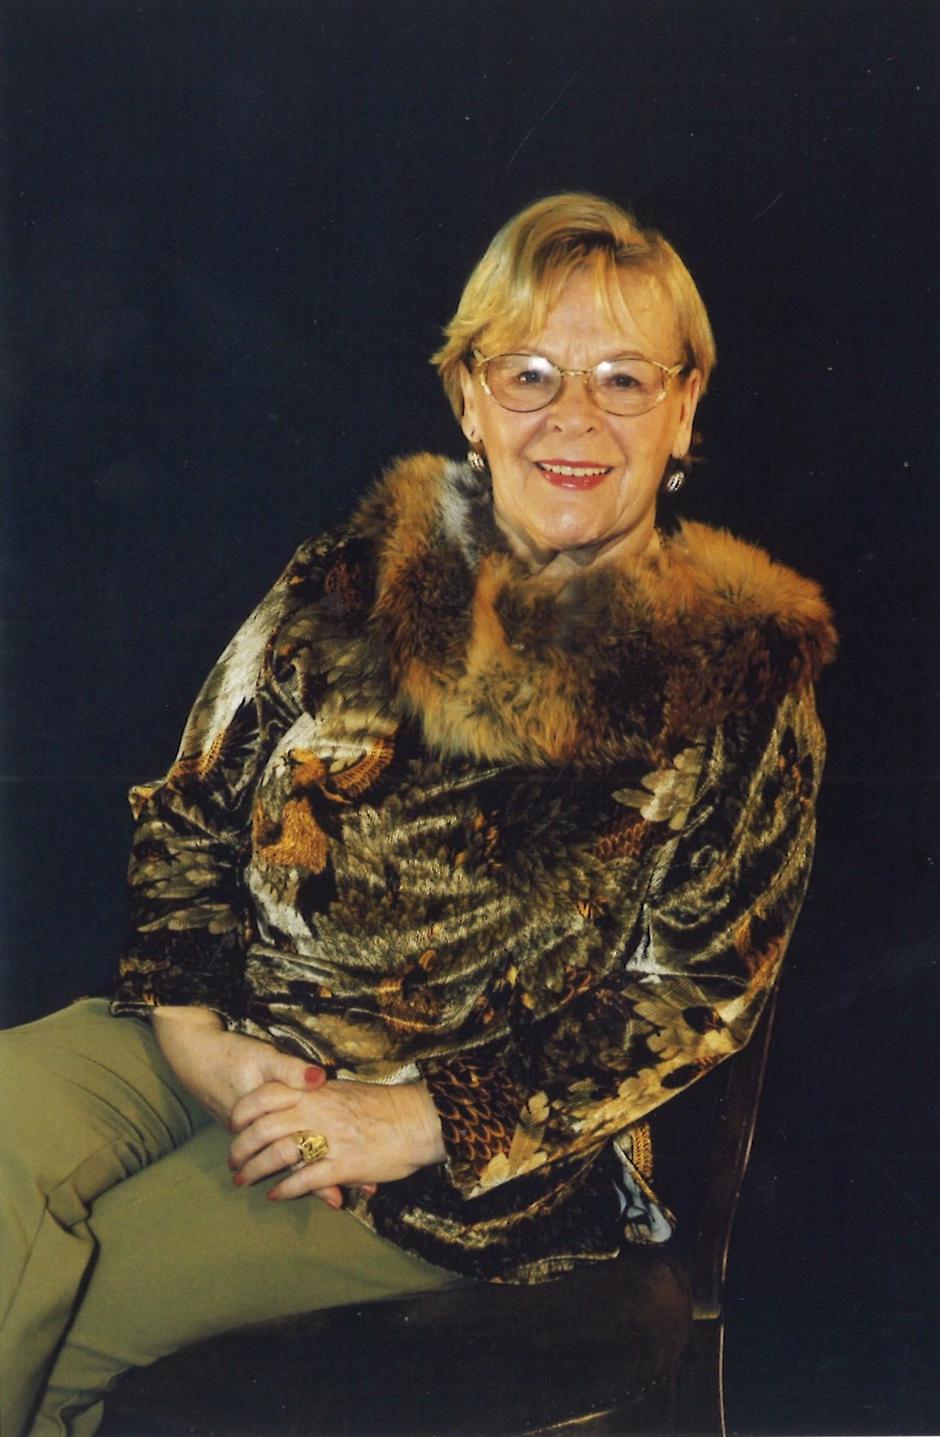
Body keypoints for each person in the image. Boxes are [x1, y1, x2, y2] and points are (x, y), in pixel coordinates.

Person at [0, 192, 836, 1435]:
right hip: (214, 1039)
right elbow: (191, 812)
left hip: (446, 1171)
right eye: (530, 374)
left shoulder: (738, 678)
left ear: (683, 409)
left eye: (621, 379)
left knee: (61, 1318)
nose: (572, 417)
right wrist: (196, 1039)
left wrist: (412, 1118)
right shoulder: (354, 575)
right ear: (468, 399)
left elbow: (695, 998)